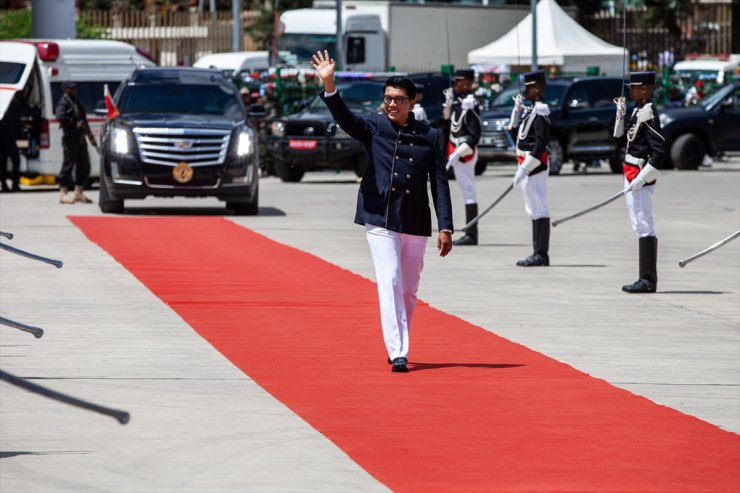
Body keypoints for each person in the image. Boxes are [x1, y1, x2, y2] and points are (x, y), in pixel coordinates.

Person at [311, 50, 453, 373]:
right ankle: (399, 350)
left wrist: (446, 227)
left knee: (408, 289)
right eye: (388, 98)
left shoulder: (429, 137)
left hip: (415, 220)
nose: (392, 104)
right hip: (380, 217)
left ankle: (398, 337)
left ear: (412, 102)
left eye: (398, 99)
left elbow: (439, 184)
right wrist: (329, 83)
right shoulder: (374, 126)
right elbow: (345, 119)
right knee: (388, 280)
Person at [613, 71, 665, 293]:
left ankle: (648, 279)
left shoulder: (649, 114)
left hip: (640, 176)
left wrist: (642, 179)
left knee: (644, 223)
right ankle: (644, 277)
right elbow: (620, 140)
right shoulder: (638, 112)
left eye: (633, 87)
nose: (630, 91)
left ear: (644, 89)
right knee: (638, 223)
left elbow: (659, 152)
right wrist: (620, 116)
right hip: (631, 173)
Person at [509, 70, 552, 267]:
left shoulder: (542, 110)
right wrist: (517, 111)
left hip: (535, 165)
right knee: (532, 209)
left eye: (529, 88)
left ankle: (541, 253)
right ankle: (537, 251)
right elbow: (520, 134)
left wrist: (524, 168)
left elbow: (540, 143)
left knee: (539, 208)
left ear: (538, 88)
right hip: (526, 165)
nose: (525, 91)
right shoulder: (531, 109)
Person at [443, 68, 482, 246]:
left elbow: (474, 135)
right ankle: (469, 232)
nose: (455, 85)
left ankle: (471, 233)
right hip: (456, 151)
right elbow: (447, 124)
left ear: (466, 83)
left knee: (469, 193)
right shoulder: (459, 103)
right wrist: (448, 105)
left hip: (464, 153)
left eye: (459, 82)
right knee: (466, 192)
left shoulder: (470, 104)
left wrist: (457, 153)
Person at [55, 81, 96, 204]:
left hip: (80, 139)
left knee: (84, 165)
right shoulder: (63, 103)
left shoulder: (76, 103)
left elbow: (84, 120)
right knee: (68, 165)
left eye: (74, 88)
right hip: (70, 138)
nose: (74, 90)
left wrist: (90, 136)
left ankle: (78, 192)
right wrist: (73, 123)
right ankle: (63, 193)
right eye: (71, 88)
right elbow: (60, 116)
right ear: (66, 89)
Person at [0, 91, 24, 193]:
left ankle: (6, 184)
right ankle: (12, 184)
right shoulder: (13, 106)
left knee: (3, 162)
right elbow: (16, 122)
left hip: (5, 138)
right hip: (7, 138)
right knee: (13, 161)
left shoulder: (6, 105)